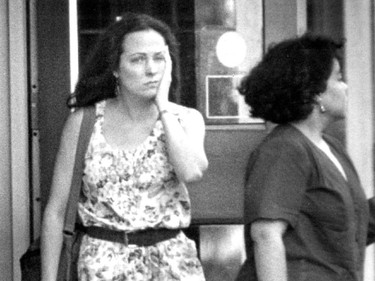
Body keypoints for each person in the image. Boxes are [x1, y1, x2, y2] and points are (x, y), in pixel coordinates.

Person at [41, 12, 208, 281]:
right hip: (102, 266)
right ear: (116, 68)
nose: (152, 69)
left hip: (172, 265)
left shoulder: (185, 119)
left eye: (159, 58)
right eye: (138, 59)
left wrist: (163, 106)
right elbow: (56, 212)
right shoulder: (84, 122)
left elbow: (191, 172)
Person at [235, 33, 375, 281]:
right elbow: (267, 235)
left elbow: (348, 232)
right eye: (339, 79)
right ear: (316, 93)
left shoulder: (332, 148)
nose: (346, 87)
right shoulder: (284, 149)